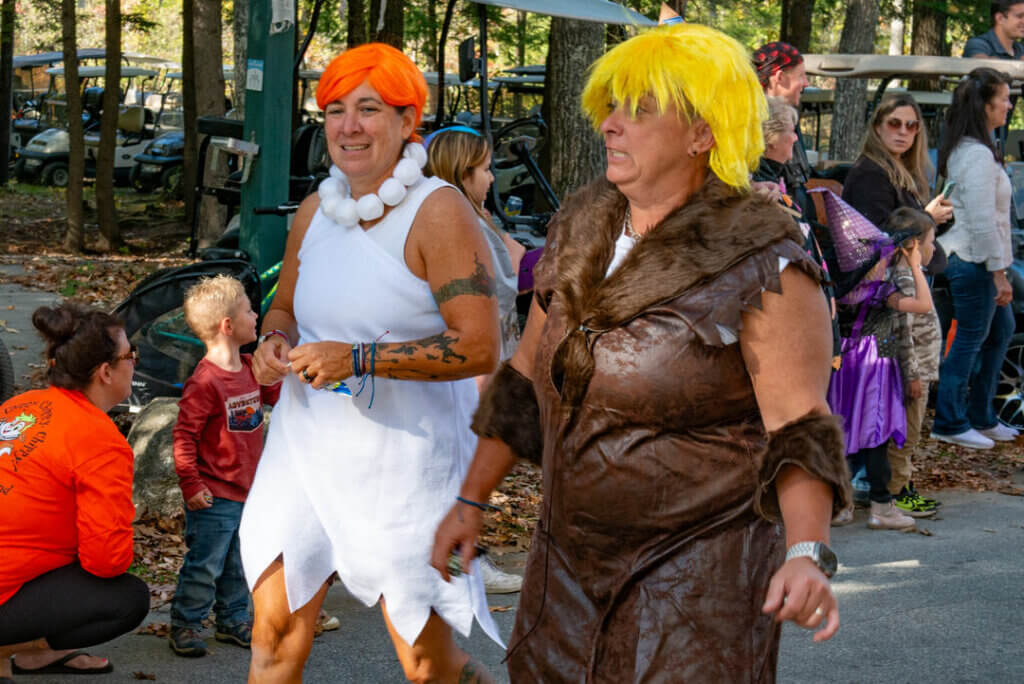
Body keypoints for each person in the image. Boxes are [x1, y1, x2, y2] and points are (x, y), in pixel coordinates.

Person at [433, 24, 851, 681]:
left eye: (641, 108)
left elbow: (799, 427)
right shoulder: (581, 226)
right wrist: (471, 502)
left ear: (704, 133)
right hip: (567, 567)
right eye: (611, 105)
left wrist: (806, 550)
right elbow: (523, 384)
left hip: (696, 579)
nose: (611, 124)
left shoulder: (761, 258)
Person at [241, 42, 503, 684]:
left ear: (408, 122)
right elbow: (284, 312)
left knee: (423, 662)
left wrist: (355, 358)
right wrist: (272, 346)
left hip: (405, 459)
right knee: (272, 633)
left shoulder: (439, 211)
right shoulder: (315, 210)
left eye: (369, 109)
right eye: (334, 110)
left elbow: (478, 346)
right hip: (304, 448)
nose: (349, 126)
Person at [0, 303, 150, 681]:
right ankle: (13, 649)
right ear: (105, 372)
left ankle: (30, 653)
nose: (134, 362)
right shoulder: (101, 440)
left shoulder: (21, 405)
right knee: (126, 599)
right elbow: (107, 561)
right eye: (130, 355)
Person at [424, 125, 525, 596]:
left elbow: (523, 262)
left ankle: (454, 554)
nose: (492, 178)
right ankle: (467, 562)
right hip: (468, 366)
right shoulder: (458, 224)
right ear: (464, 173)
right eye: (486, 169)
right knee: (458, 461)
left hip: (477, 362)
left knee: (454, 461)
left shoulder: (475, 218)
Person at [168, 275, 281, 657]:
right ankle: (187, 623)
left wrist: (287, 372)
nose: (256, 315)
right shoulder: (205, 382)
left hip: (249, 489)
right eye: (250, 310)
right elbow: (184, 436)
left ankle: (233, 620)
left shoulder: (250, 366)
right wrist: (191, 483)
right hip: (214, 494)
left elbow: (273, 395)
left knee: (238, 560)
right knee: (205, 565)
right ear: (228, 326)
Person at [932, 67, 1018, 449]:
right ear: (986, 105)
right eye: (1003, 98)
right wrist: (999, 274)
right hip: (972, 260)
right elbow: (983, 221)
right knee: (969, 339)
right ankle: (949, 421)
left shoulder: (977, 149)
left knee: (1000, 330)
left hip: (979, 259)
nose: (1009, 104)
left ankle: (982, 416)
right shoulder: (975, 155)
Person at [841, 93, 953, 262]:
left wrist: (941, 216)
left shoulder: (906, 172)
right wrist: (928, 217)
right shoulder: (869, 173)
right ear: (878, 127)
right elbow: (877, 238)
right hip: (887, 281)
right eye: (894, 123)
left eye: (911, 125)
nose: (902, 131)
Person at [882, 209, 943, 517]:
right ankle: (898, 493)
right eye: (931, 241)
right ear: (912, 247)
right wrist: (912, 375)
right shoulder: (904, 280)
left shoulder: (909, 275)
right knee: (906, 435)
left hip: (923, 370)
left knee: (912, 433)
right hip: (912, 373)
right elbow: (902, 333)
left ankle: (903, 486)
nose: (935, 247)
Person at [753, 41, 817, 221]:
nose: (806, 83)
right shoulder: (751, 124)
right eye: (801, 76)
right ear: (779, 77)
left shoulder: (790, 117)